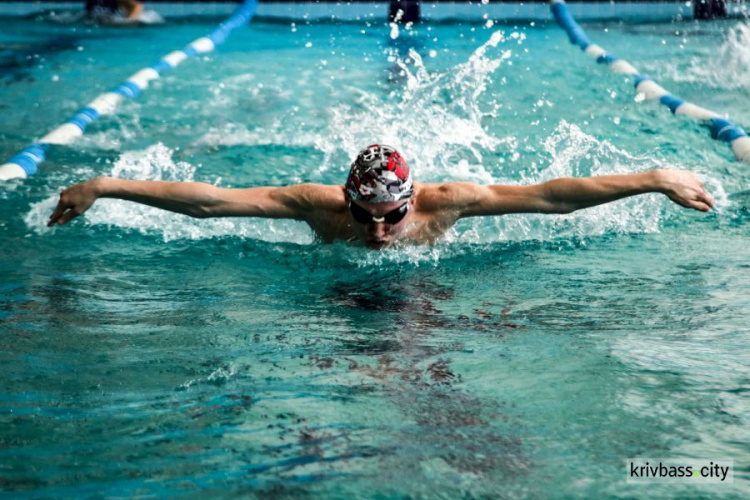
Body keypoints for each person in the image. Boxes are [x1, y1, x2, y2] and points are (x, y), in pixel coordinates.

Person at [48, 144, 715, 249]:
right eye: (364, 216)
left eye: (391, 216)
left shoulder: (445, 203)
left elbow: (551, 198)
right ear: (346, 199)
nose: (376, 233)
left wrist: (655, 178)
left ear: (412, 199)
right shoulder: (319, 207)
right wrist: (104, 185)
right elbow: (211, 202)